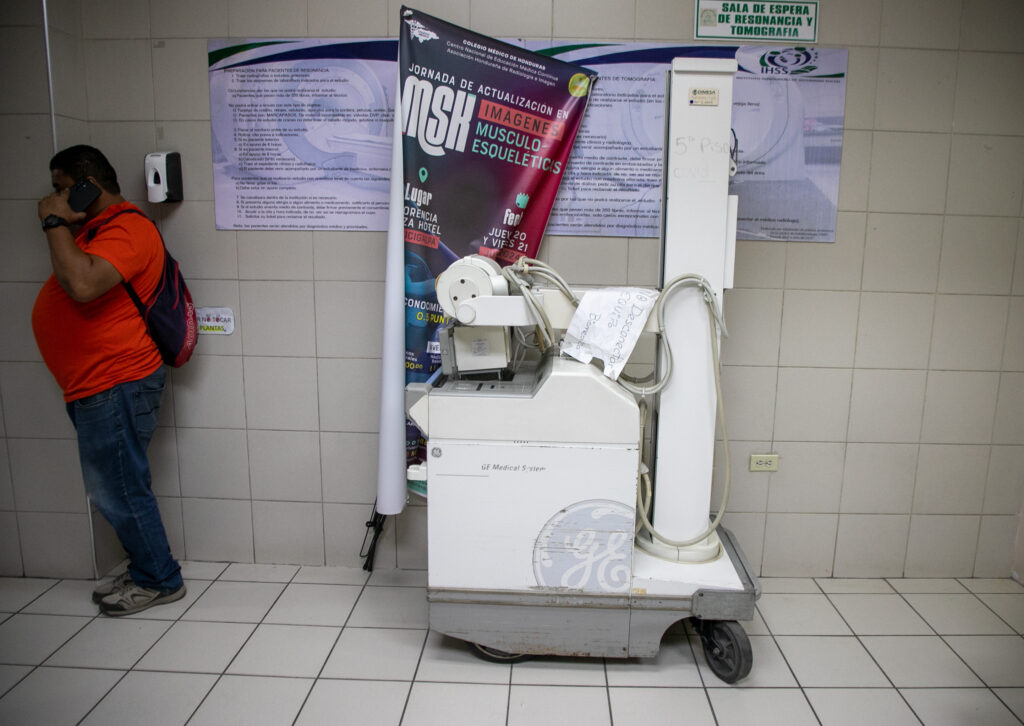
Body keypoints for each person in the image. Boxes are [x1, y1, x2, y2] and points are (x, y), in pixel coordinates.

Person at [32, 145, 185, 616]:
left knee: (117, 487)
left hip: (116, 378)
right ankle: (146, 564)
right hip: (96, 382)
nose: (53, 198)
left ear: (86, 186)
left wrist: (55, 222)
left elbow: (82, 285)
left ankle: (159, 579)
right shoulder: (100, 230)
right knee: (119, 483)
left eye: (61, 189)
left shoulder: (128, 228)